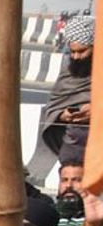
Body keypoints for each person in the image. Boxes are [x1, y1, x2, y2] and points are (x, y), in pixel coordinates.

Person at [38, 15, 92, 158]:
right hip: (72, 144)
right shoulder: (67, 72)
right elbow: (53, 105)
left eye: (82, 51)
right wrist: (62, 115)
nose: (75, 57)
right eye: (72, 51)